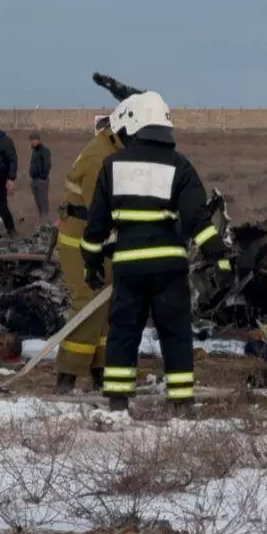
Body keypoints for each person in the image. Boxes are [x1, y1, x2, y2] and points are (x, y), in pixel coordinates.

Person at [80, 91, 231, 413]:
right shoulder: (181, 165)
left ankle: (118, 401)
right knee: (175, 333)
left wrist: (91, 262)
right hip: (169, 267)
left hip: (128, 267)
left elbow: (96, 226)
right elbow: (197, 221)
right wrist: (219, 255)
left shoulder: (113, 165)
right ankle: (181, 402)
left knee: (124, 332)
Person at [53, 109, 129, 394]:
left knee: (107, 307)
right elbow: (102, 208)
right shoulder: (101, 158)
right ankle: (68, 375)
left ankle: (101, 370)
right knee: (89, 304)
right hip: (82, 242)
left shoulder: (114, 151)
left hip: (101, 240)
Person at [28, 132, 52, 223]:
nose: (32, 142)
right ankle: (43, 221)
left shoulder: (44, 150)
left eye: (34, 140)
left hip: (41, 180)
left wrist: (42, 176)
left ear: (38, 140)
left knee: (43, 202)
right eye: (31, 141)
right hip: (34, 180)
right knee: (38, 202)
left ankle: (46, 223)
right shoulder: (35, 151)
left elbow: (47, 164)